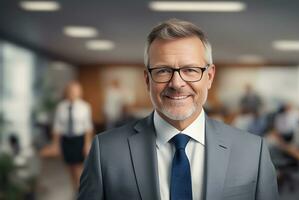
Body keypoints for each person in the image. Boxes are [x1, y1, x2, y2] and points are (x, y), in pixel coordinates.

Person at [78, 19, 278, 200]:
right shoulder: (105, 151)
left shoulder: (253, 151)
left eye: (190, 70)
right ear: (147, 80)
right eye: (163, 70)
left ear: (209, 77)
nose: (176, 83)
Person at [41, 81, 93, 191]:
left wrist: (87, 144)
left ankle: (81, 191)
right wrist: (55, 145)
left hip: (79, 140)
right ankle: (76, 189)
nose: (74, 93)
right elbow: (57, 127)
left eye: (76, 91)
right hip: (66, 141)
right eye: (71, 91)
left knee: (78, 167)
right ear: (67, 92)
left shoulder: (85, 107)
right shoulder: (61, 107)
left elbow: (88, 127)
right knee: (70, 167)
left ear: (80, 93)